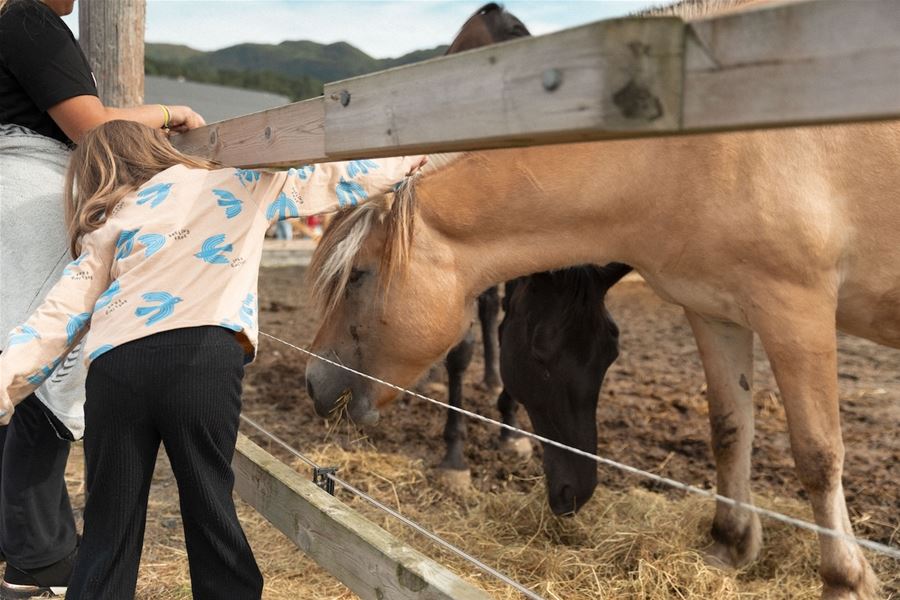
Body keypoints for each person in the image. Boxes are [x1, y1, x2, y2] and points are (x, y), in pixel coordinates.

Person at [0, 120, 425, 599]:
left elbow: (56, 318)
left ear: (95, 174)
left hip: (115, 371)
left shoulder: (111, 221)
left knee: (108, 523)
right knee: (208, 504)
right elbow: (333, 181)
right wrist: (410, 160)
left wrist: (5, 389)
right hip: (199, 359)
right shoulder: (238, 180)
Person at [0, 0, 205, 596]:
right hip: (32, 203)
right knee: (47, 367)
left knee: (18, 362)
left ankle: (29, 543)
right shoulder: (28, 20)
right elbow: (95, 126)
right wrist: (169, 111)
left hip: (12, 198)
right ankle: (39, 555)